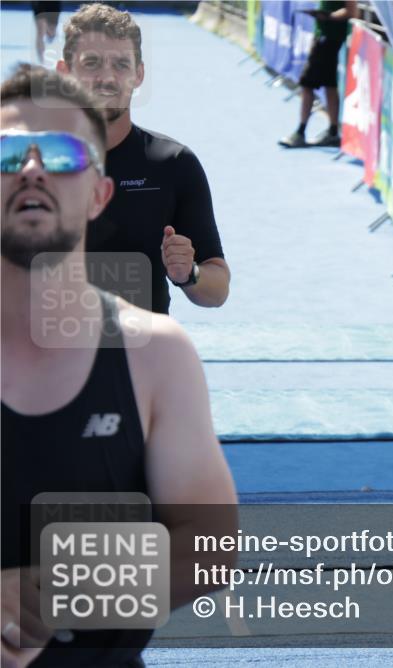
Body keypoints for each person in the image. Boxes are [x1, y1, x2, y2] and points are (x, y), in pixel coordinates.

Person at [0, 65, 237, 668]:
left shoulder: (157, 355)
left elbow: (210, 549)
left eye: (59, 153)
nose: (32, 168)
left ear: (100, 192)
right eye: (8, 154)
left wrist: (55, 590)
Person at [56, 3, 230, 315]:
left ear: (138, 75)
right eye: (92, 63)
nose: (107, 77)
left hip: (141, 356)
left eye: (121, 65)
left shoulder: (173, 163)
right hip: (44, 358)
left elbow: (217, 289)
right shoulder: (25, 165)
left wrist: (188, 274)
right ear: (64, 73)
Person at [278, 1, 359, 148]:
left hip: (328, 38)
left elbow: (352, 11)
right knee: (330, 84)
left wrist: (329, 17)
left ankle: (300, 132)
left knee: (307, 84)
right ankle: (333, 132)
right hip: (325, 35)